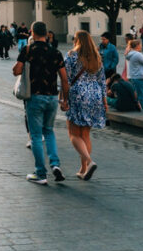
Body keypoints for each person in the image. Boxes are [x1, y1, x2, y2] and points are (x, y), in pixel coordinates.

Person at [13, 20, 69, 185]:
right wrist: (65, 100)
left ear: (32, 32)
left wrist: (21, 68)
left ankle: (41, 173)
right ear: (46, 34)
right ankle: (55, 164)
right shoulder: (56, 52)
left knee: (36, 135)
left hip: (35, 96)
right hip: (52, 97)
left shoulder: (28, 50)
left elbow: (17, 70)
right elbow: (64, 79)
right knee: (49, 131)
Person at [64, 31, 107, 180]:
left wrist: (63, 98)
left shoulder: (71, 55)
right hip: (95, 94)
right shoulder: (97, 57)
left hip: (78, 94)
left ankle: (89, 162)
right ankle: (83, 169)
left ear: (76, 40)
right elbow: (102, 81)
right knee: (85, 134)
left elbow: (66, 79)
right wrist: (104, 101)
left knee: (73, 133)